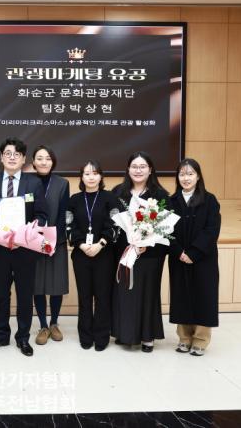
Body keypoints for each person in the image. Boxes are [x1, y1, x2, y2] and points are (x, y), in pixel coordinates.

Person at [0, 137, 48, 357]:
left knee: (25, 294)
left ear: (23, 159)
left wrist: (27, 233)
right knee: (0, 294)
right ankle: (1, 335)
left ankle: (23, 337)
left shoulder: (34, 183)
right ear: (1, 157)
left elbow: (41, 214)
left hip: (24, 250)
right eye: (8, 153)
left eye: (17, 154)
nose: (12, 157)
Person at [111, 151, 170, 353]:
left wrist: (147, 243)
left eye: (142, 166)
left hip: (150, 255)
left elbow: (166, 228)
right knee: (125, 292)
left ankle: (147, 336)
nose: (138, 170)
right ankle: (125, 333)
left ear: (150, 170)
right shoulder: (118, 192)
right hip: (124, 252)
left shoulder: (160, 195)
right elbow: (112, 221)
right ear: (128, 169)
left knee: (147, 293)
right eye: (134, 166)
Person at [168, 158, 221, 356]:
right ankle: (184, 338)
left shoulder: (210, 200)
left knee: (203, 296)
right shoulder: (171, 201)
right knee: (182, 296)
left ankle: (200, 339)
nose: (186, 178)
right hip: (178, 257)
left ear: (198, 176)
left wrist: (194, 253)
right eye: (182, 174)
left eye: (190, 174)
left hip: (203, 259)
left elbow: (212, 230)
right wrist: (179, 252)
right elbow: (165, 232)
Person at [68, 160, 116, 351]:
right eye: (87, 173)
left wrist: (100, 244)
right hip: (81, 255)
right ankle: (85, 336)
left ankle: (102, 336)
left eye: (95, 173)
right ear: (81, 177)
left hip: (104, 254)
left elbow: (115, 224)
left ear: (101, 176)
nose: (91, 177)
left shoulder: (110, 198)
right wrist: (81, 244)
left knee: (103, 297)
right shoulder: (74, 199)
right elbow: (69, 225)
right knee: (84, 297)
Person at [30, 146, 70, 346]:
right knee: (37, 285)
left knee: (56, 285)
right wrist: (33, 237)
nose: (43, 162)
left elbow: (64, 213)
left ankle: (54, 323)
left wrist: (54, 240)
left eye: (47, 158)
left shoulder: (62, 183)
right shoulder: (28, 182)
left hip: (57, 242)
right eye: (39, 158)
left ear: (53, 162)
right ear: (33, 162)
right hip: (32, 242)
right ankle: (43, 325)